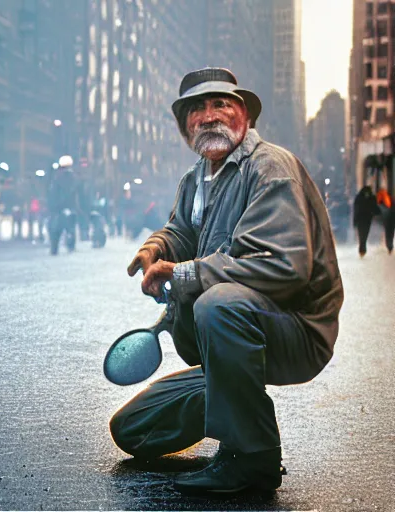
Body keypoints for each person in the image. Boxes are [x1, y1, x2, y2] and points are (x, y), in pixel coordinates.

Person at [109, 68, 344, 494]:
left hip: (293, 327)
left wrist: (182, 273)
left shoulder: (270, 167)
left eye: (221, 104)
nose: (209, 115)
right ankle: (235, 401)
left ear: (244, 117)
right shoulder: (197, 177)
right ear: (185, 128)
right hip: (237, 333)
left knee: (216, 304)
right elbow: (183, 229)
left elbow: (283, 266)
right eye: (197, 108)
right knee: (133, 430)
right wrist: (157, 247)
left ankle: (252, 459)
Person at [46, 156, 79, 255]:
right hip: (67, 208)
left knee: (55, 230)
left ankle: (54, 248)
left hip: (59, 208)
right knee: (69, 229)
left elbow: (52, 193)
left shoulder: (56, 178)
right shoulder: (74, 178)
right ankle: (70, 246)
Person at [353, 185, 381, 257]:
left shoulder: (359, 197)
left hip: (362, 219)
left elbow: (356, 209)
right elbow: (374, 207)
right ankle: (362, 249)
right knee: (364, 234)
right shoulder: (370, 197)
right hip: (366, 218)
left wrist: (355, 220)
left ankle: (362, 249)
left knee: (363, 234)